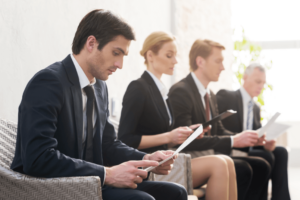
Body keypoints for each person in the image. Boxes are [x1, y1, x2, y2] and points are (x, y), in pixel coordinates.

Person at [10, 9, 188, 200]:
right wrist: (108, 174)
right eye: (115, 53)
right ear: (91, 43)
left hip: (93, 181)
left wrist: (145, 159)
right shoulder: (48, 82)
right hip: (57, 187)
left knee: (176, 193)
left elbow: (108, 144)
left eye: (123, 56)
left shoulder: (100, 86)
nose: (120, 64)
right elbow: (38, 158)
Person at [118, 31, 237, 200]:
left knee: (227, 161)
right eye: (169, 55)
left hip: (166, 161)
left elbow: (166, 133)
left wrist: (187, 132)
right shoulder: (138, 88)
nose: (175, 61)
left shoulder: (161, 91)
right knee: (219, 164)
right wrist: (169, 137)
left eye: (175, 55)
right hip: (149, 166)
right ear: (150, 56)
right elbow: (125, 139)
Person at [168, 39, 271, 200]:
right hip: (192, 156)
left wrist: (246, 139)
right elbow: (185, 140)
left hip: (210, 153)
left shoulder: (211, 95)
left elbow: (219, 130)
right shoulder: (181, 91)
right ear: (200, 61)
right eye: (218, 61)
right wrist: (233, 140)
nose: (222, 67)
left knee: (261, 165)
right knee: (246, 168)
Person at [216, 63, 291, 200]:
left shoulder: (256, 108)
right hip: (231, 148)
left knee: (280, 152)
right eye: (258, 81)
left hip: (248, 149)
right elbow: (217, 128)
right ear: (245, 78)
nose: (261, 86)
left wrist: (265, 143)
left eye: (263, 83)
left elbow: (257, 136)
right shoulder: (227, 96)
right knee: (267, 157)